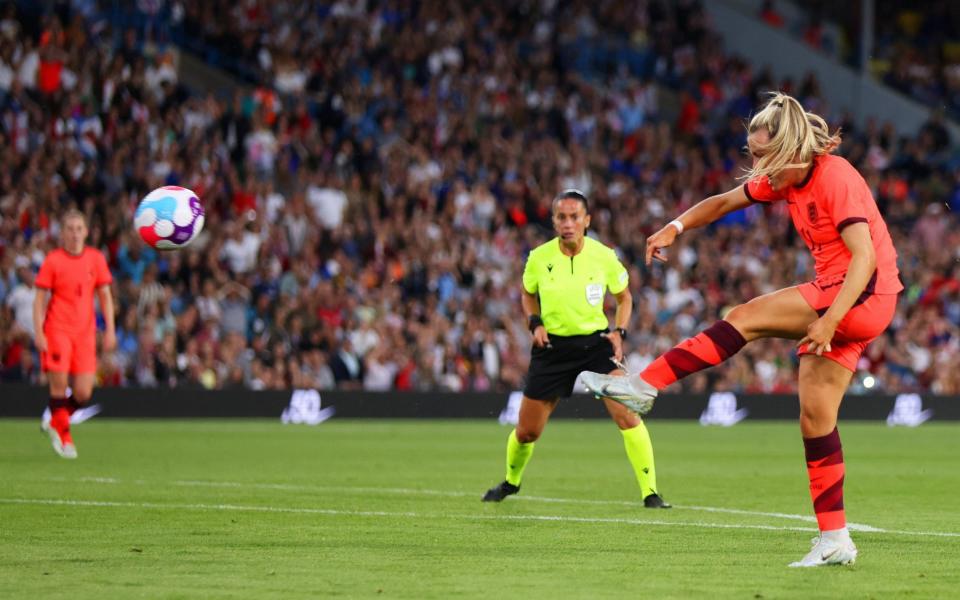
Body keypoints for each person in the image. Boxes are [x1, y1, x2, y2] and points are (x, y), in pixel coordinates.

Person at [582, 93, 902, 566]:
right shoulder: (786, 177)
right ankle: (835, 539)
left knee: (744, 317)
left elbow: (866, 257)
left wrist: (830, 320)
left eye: (759, 154)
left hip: (860, 294)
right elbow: (725, 202)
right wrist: (675, 226)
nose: (753, 164)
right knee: (816, 419)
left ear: (789, 148)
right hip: (847, 300)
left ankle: (645, 385)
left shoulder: (835, 177)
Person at [483, 189, 669, 508]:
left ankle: (650, 492)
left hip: (595, 345)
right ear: (554, 221)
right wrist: (535, 323)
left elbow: (624, 297)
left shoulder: (604, 256)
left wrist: (619, 332)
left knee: (627, 415)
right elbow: (528, 294)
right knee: (527, 432)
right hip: (552, 348)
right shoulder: (539, 258)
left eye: (574, 217)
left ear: (587, 220)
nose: (568, 223)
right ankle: (511, 482)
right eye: (561, 217)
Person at [34, 209, 116, 459]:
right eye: (70, 229)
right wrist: (39, 332)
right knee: (59, 387)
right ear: (62, 234)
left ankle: (56, 418)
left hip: (85, 334)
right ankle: (65, 437)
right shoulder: (53, 260)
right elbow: (39, 301)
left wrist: (110, 329)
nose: (75, 233)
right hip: (57, 329)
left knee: (83, 392)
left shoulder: (95, 258)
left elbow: (105, 296)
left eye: (79, 228)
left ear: (86, 232)